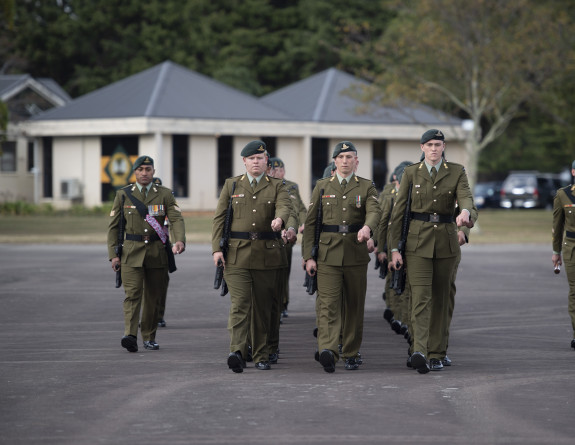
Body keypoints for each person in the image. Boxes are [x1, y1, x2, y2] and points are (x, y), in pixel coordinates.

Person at [389, 129, 474, 374]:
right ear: (422, 147)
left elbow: (466, 198)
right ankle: (419, 350)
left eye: (438, 144)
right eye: (430, 144)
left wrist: (466, 213)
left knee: (441, 298)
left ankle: (437, 352)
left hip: (446, 243)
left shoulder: (456, 171)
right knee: (420, 298)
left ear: (444, 146)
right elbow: (399, 213)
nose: (434, 148)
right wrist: (395, 248)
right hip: (417, 244)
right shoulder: (410, 172)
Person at [212, 140, 292, 372]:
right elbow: (219, 218)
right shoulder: (232, 185)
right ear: (244, 162)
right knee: (240, 304)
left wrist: (280, 220)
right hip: (236, 254)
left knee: (262, 307)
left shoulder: (278, 185)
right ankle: (237, 350)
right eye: (251, 159)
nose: (256, 162)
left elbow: (284, 206)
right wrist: (217, 249)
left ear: (266, 161)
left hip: (267, 255)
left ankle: (261, 354)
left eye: (260, 158)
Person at [304, 141, 381, 372]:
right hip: (328, 254)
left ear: (356, 161)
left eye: (350, 157)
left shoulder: (366, 187)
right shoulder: (322, 186)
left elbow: (375, 211)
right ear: (335, 161)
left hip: (356, 254)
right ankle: (328, 349)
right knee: (328, 304)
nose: (345, 161)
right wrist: (309, 256)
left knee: (353, 306)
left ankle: (350, 351)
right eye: (341, 157)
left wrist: (368, 228)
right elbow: (311, 224)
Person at [108, 156, 186, 353]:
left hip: (156, 252)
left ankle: (149, 337)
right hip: (131, 253)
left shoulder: (165, 194)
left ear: (153, 171)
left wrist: (179, 240)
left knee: (153, 297)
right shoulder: (124, 195)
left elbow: (176, 218)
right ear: (135, 172)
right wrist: (113, 255)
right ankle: (130, 335)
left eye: (148, 169)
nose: (144, 173)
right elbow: (114, 227)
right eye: (141, 169)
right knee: (132, 295)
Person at [268, 157, 306, 318]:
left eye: (281, 169)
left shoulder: (291, 187)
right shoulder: (267, 186)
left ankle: (282, 304)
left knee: (283, 272)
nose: (278, 172)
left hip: (287, 236)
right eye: (275, 170)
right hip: (270, 235)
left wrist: (301, 223)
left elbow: (299, 208)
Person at [552, 160, 575, 350]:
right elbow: (557, 226)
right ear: (573, 172)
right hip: (572, 248)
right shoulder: (563, 194)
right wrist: (555, 252)